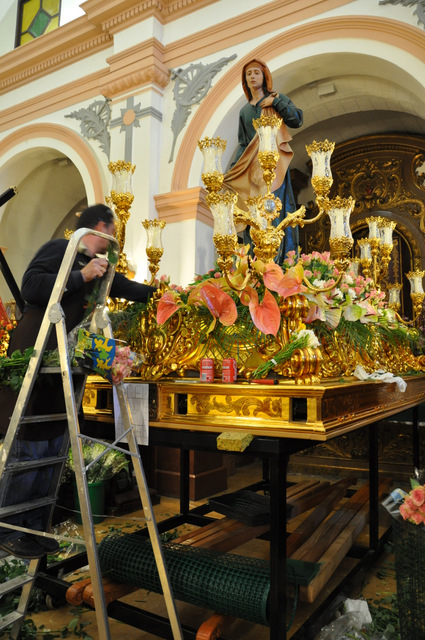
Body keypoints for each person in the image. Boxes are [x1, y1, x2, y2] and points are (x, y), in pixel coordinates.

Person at [0, 203, 155, 559]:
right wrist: (79, 277)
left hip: (64, 366)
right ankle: (8, 529)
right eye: (112, 232)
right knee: (30, 444)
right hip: (37, 356)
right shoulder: (61, 249)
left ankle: (36, 526)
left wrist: (165, 295)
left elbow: (126, 287)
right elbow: (31, 287)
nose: (113, 239)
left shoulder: (99, 266)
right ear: (100, 227)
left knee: (53, 446)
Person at [223, 58, 303, 264]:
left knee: (275, 209)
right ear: (245, 80)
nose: (252, 77)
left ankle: (281, 260)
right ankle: (256, 260)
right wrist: (232, 170)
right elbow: (243, 144)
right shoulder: (244, 112)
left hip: (275, 166)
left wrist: (276, 103)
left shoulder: (277, 98)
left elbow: (297, 119)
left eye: (256, 72)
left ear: (264, 76)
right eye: (248, 74)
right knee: (254, 213)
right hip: (253, 170)